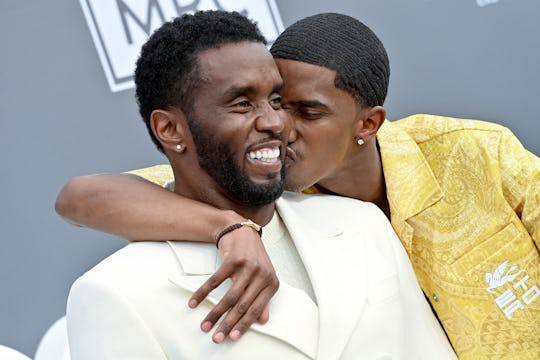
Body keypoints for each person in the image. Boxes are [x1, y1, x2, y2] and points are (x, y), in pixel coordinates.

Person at [56, 12, 540, 359]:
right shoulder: (246, 179)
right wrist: (231, 228)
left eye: (304, 111)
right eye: (266, 102)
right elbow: (84, 197)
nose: (279, 125)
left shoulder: (472, 153)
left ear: (367, 124)